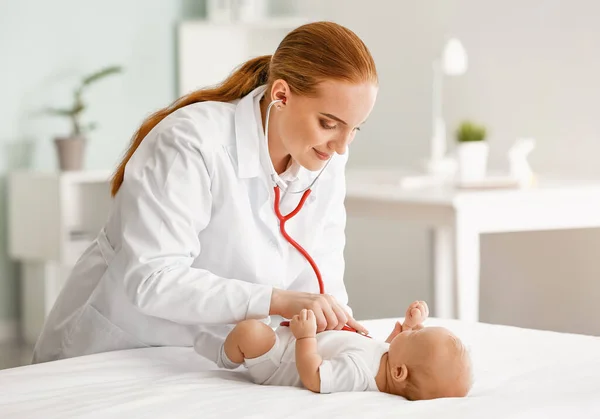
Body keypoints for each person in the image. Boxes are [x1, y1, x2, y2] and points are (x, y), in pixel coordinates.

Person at [32, 21, 378, 364]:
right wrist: (275, 300)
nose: (342, 147)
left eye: (354, 129)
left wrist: (350, 345)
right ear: (281, 95)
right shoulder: (191, 141)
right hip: (121, 347)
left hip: (213, 357)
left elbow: (323, 284)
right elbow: (153, 279)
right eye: (329, 124)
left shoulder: (323, 159)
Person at [207, 301, 472, 400]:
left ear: (400, 373)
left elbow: (314, 376)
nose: (412, 330)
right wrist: (408, 327)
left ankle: (223, 356)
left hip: (281, 363)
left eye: (416, 334)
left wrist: (306, 338)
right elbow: (388, 347)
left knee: (249, 331)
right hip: (294, 340)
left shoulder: (359, 373)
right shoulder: (389, 361)